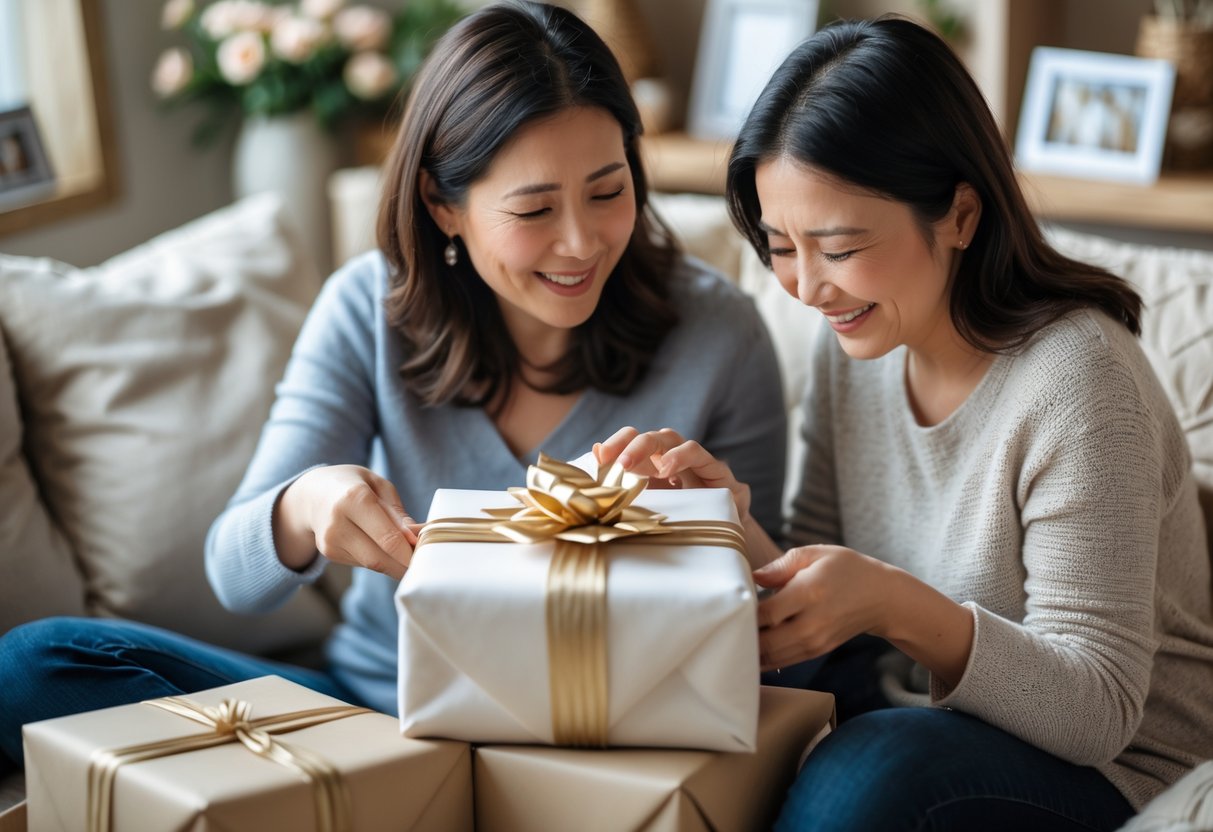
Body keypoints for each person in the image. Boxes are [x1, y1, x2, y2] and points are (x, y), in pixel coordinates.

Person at [0, 0, 786, 774]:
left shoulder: (718, 333)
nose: (580, 241)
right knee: (35, 663)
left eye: (607, 192)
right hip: (375, 724)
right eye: (534, 209)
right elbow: (235, 578)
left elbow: (774, 640)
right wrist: (306, 505)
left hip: (617, 736)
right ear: (443, 206)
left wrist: (723, 530)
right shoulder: (366, 309)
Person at [596, 16, 1213, 832]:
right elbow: (823, 629)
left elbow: (1095, 711)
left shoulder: (1079, 381)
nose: (806, 287)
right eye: (780, 246)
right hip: (914, 716)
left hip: (1110, 769)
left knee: (868, 769)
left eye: (838, 247)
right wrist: (723, 523)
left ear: (960, 215)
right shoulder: (855, 343)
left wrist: (892, 604)